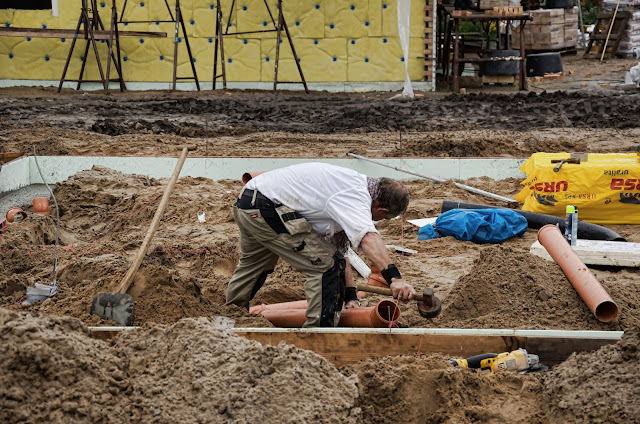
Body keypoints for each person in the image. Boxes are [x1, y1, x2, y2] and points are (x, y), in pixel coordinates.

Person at [226, 162, 417, 327]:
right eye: (383, 218)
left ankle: (230, 316)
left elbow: (341, 253)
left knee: (255, 265)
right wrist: (395, 279)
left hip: (249, 203)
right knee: (325, 267)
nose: (378, 221)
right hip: (267, 208)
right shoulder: (355, 197)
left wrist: (351, 297)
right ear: (380, 209)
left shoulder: (349, 185)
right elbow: (368, 238)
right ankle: (319, 331)